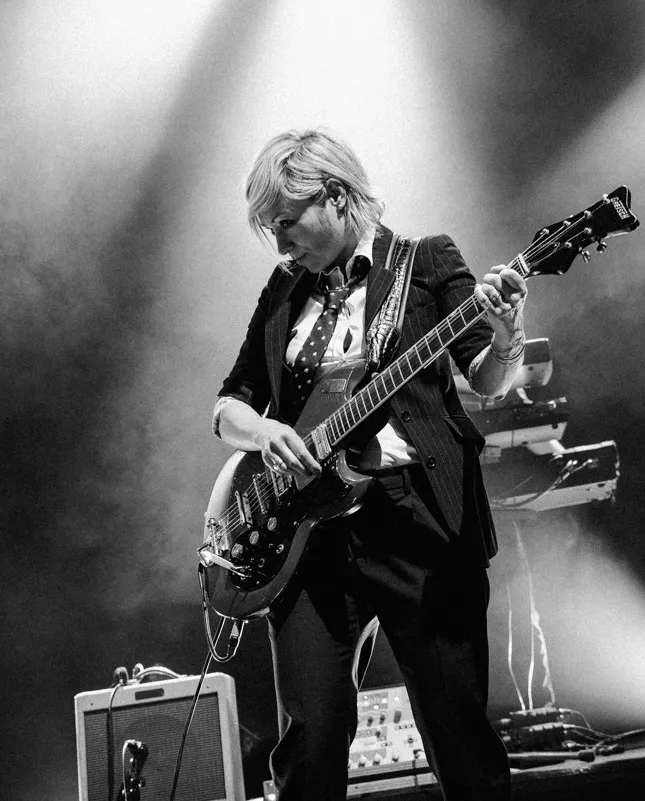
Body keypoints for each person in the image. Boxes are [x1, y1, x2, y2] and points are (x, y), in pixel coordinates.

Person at [212, 128, 523, 800]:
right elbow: (228, 405)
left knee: (460, 741)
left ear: (335, 195)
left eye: (285, 222)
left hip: (418, 518)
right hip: (308, 536)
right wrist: (265, 430)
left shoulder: (426, 260)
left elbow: (488, 377)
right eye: (270, 229)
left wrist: (507, 336)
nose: (280, 244)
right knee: (309, 747)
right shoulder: (283, 290)